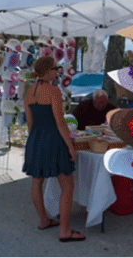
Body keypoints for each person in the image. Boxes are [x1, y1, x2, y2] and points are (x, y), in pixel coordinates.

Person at [22, 56, 86, 242]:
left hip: (35, 139)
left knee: (36, 181)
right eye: (55, 69)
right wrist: (71, 149)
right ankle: (65, 230)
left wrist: (34, 141)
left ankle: (43, 220)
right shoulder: (53, 91)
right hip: (54, 140)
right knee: (67, 186)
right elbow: (60, 123)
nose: (57, 72)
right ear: (48, 71)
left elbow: (30, 123)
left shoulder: (29, 92)